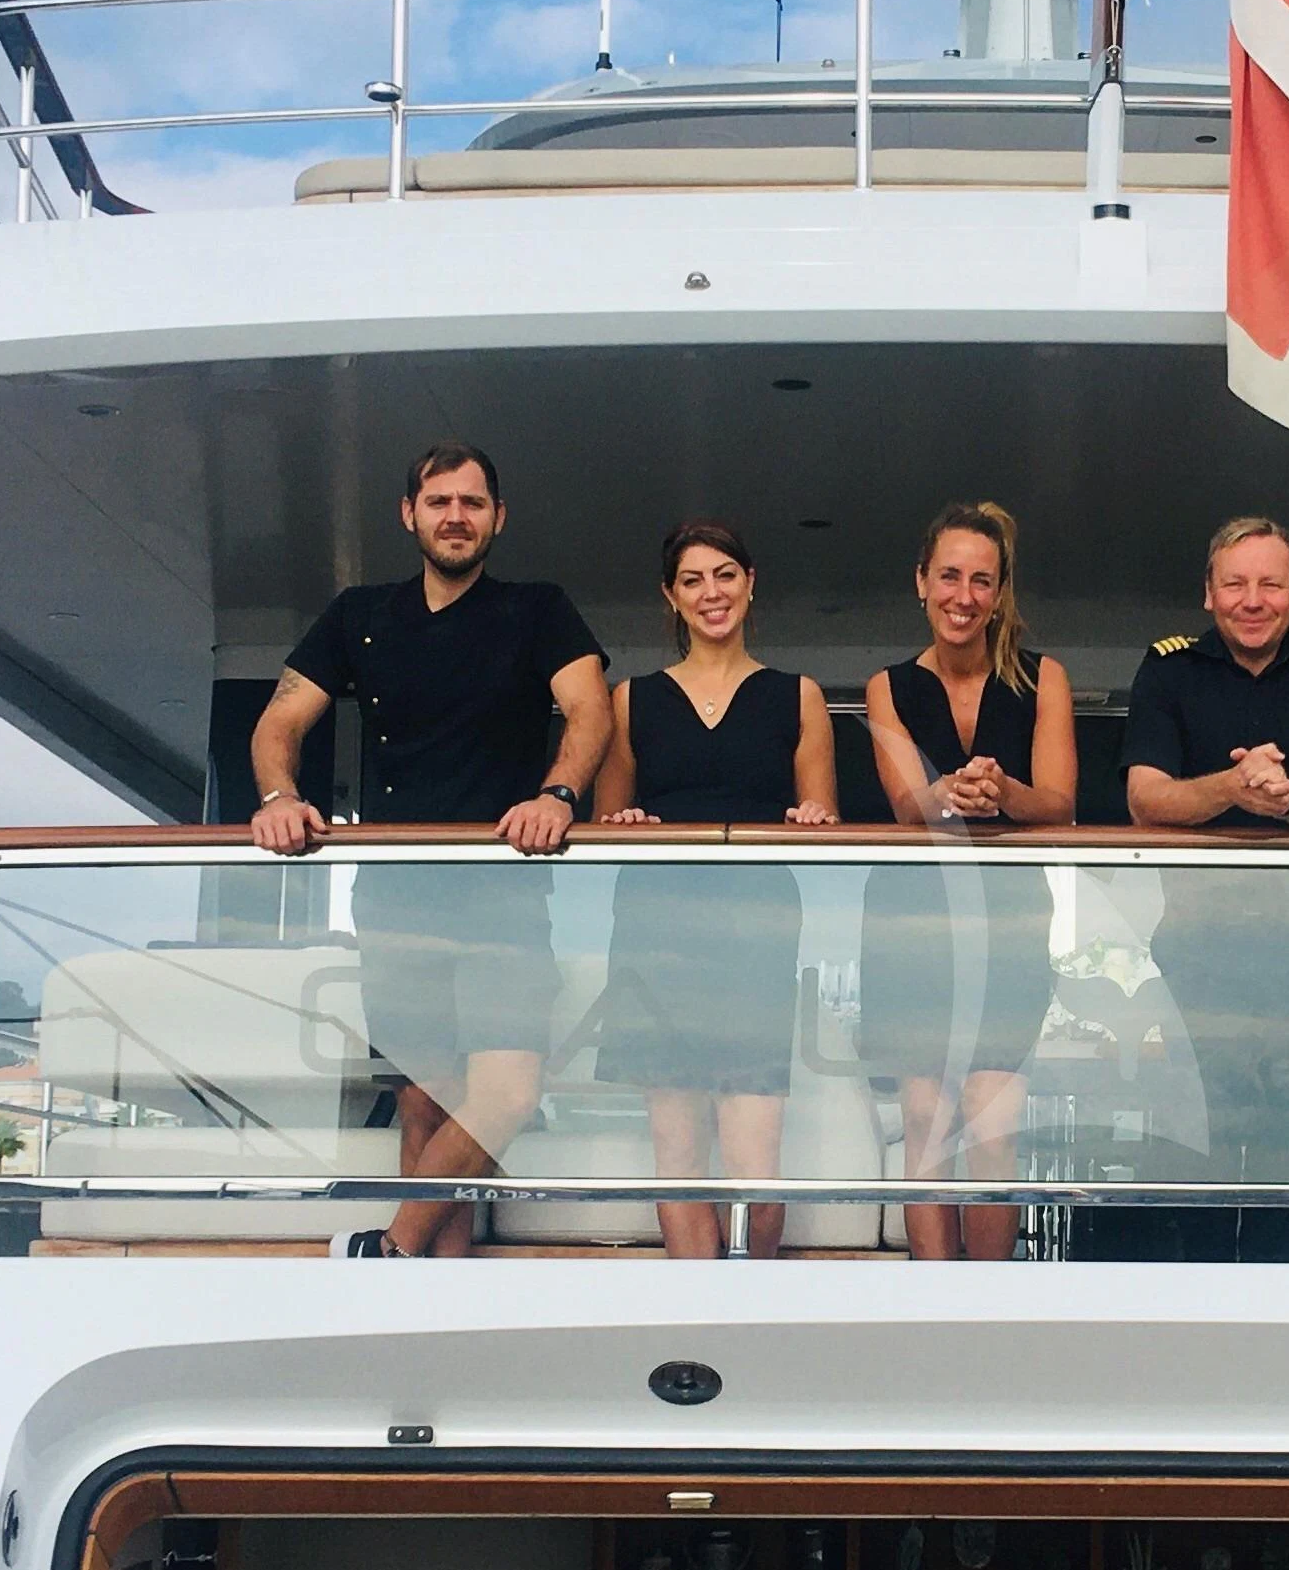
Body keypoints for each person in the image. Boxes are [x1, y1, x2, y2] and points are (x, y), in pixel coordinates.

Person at [246, 445, 611, 1257]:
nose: (456, 516)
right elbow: (280, 721)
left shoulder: (539, 609)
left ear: (497, 518)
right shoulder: (359, 614)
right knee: (424, 1104)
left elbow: (590, 710)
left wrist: (557, 795)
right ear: (409, 513)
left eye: (473, 503)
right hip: (396, 894)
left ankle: (388, 1252)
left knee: (505, 1093)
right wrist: (278, 798)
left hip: (504, 890)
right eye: (440, 501)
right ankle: (428, 1299)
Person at [1120, 517, 1289, 1261]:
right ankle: (1205, 1302)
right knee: (1199, 1129)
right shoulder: (1168, 670)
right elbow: (1146, 798)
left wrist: (1288, 800)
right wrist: (1234, 787)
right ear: (1209, 593)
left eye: (1270, 583)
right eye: (1235, 583)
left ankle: (1279, 1296)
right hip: (1201, 948)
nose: (1253, 599)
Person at [593, 522, 838, 1259]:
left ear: (750, 582)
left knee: (757, 1166)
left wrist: (812, 820)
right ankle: (696, 1314)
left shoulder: (799, 696)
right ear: (670, 596)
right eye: (692, 580)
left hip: (756, 935)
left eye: (725, 574)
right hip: (656, 933)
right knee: (677, 1155)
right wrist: (627, 823)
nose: (711, 593)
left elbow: (824, 819)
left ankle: (750, 1311)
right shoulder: (630, 699)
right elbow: (606, 821)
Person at [859, 502, 1078, 1261]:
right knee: (927, 1122)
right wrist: (949, 792)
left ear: (1000, 591)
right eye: (948, 576)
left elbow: (1059, 803)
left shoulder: (1044, 678)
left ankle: (988, 1305)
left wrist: (1003, 792)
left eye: (981, 580)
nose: (963, 596)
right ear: (921, 582)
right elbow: (905, 803)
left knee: (993, 1122)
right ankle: (933, 1304)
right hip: (912, 922)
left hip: (1008, 922)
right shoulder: (887, 685)